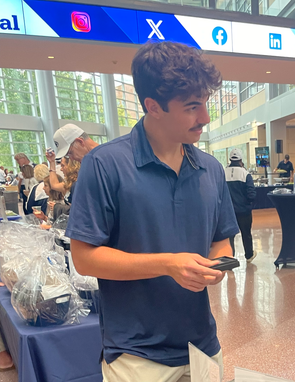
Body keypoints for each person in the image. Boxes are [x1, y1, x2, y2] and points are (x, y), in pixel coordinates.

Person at [65, 41, 239, 382]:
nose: (204, 118)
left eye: (204, 104)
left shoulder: (211, 169)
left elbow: (222, 240)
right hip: (136, 354)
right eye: (191, 107)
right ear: (153, 106)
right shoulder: (105, 165)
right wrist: (167, 264)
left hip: (203, 344)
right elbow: (84, 258)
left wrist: (217, 265)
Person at [225, 148, 257, 263]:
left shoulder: (223, 173)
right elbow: (251, 194)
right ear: (240, 160)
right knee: (246, 233)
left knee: (230, 236)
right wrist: (247, 203)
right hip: (244, 211)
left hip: (228, 212)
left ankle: (230, 258)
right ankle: (249, 255)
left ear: (230, 159)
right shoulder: (245, 174)